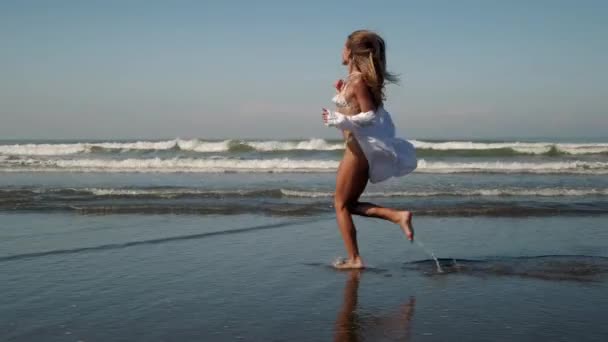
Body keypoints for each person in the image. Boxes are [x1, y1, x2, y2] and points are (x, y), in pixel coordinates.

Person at [321, 30, 418, 269]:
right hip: (356, 149)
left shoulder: (358, 80)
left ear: (352, 51)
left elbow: (370, 116)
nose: (341, 52)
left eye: (344, 47)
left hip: (357, 151)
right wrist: (341, 94)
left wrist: (339, 120)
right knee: (349, 204)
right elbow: (355, 107)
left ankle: (355, 259)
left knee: (340, 205)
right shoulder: (354, 79)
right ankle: (397, 216)